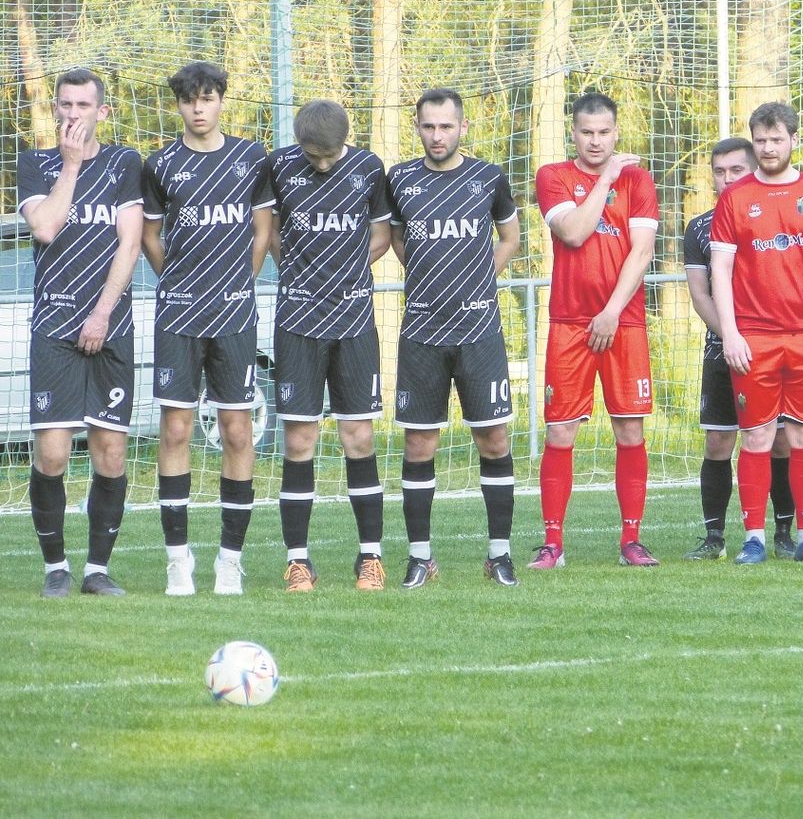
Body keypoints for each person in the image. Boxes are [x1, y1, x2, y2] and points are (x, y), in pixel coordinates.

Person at [141, 61, 275, 595]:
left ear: (222, 101)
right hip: (178, 315)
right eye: (189, 101)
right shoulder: (160, 165)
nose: (198, 109)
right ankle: (178, 561)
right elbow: (152, 236)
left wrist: (243, 279)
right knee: (175, 430)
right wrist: (174, 281)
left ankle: (229, 560)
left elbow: (263, 228)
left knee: (237, 432)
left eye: (207, 98)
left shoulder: (250, 158)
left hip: (235, 316)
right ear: (178, 106)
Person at [387, 88, 521, 588]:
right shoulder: (399, 179)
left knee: (494, 438)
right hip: (421, 331)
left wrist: (478, 280)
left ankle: (499, 555)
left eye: (446, 126)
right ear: (417, 127)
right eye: (428, 126)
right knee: (420, 443)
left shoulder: (488, 178)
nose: (437, 135)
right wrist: (428, 275)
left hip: (479, 330)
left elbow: (510, 237)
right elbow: (398, 239)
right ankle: (420, 557)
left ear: (463, 128)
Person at [17, 68, 143, 597]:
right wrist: (68, 168)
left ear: (101, 112)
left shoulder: (124, 163)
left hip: (109, 325)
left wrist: (103, 313)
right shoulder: (36, 163)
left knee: (110, 451)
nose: (72, 114)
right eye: (65, 105)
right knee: (52, 454)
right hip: (54, 326)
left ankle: (96, 570)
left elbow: (129, 244)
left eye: (82, 106)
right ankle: (55, 569)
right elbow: (45, 227)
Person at [709, 101, 803, 564]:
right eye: (761, 140)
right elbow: (721, 269)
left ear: (794, 140)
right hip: (755, 338)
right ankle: (754, 538)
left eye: (776, 140)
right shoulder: (734, 198)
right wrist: (730, 332)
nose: (768, 148)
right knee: (757, 437)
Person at [267, 100, 392, 592]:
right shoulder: (278, 166)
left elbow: (381, 233)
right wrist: (298, 268)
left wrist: (346, 272)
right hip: (296, 322)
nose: (321, 164)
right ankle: (298, 561)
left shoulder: (368, 167)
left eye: (328, 156)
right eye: (312, 156)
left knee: (358, 438)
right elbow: (269, 230)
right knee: (299, 442)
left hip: (354, 322)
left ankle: (371, 558)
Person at [533, 92, 659, 569]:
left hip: (622, 321)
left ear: (616, 132)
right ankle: (552, 544)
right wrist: (605, 180)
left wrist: (610, 311)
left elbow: (642, 251)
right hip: (570, 323)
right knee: (561, 430)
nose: (596, 141)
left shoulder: (641, 180)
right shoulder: (554, 177)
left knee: (629, 428)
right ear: (574, 133)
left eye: (604, 132)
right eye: (587, 132)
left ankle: (632, 541)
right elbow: (574, 233)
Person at [683, 137, 797, 561]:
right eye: (719, 171)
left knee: (779, 440)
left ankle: (783, 533)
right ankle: (714, 538)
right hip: (723, 350)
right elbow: (701, 294)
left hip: (775, 348)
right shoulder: (699, 227)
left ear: (753, 170)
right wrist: (730, 337)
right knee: (718, 443)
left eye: (736, 170)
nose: (727, 178)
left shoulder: (778, 215)